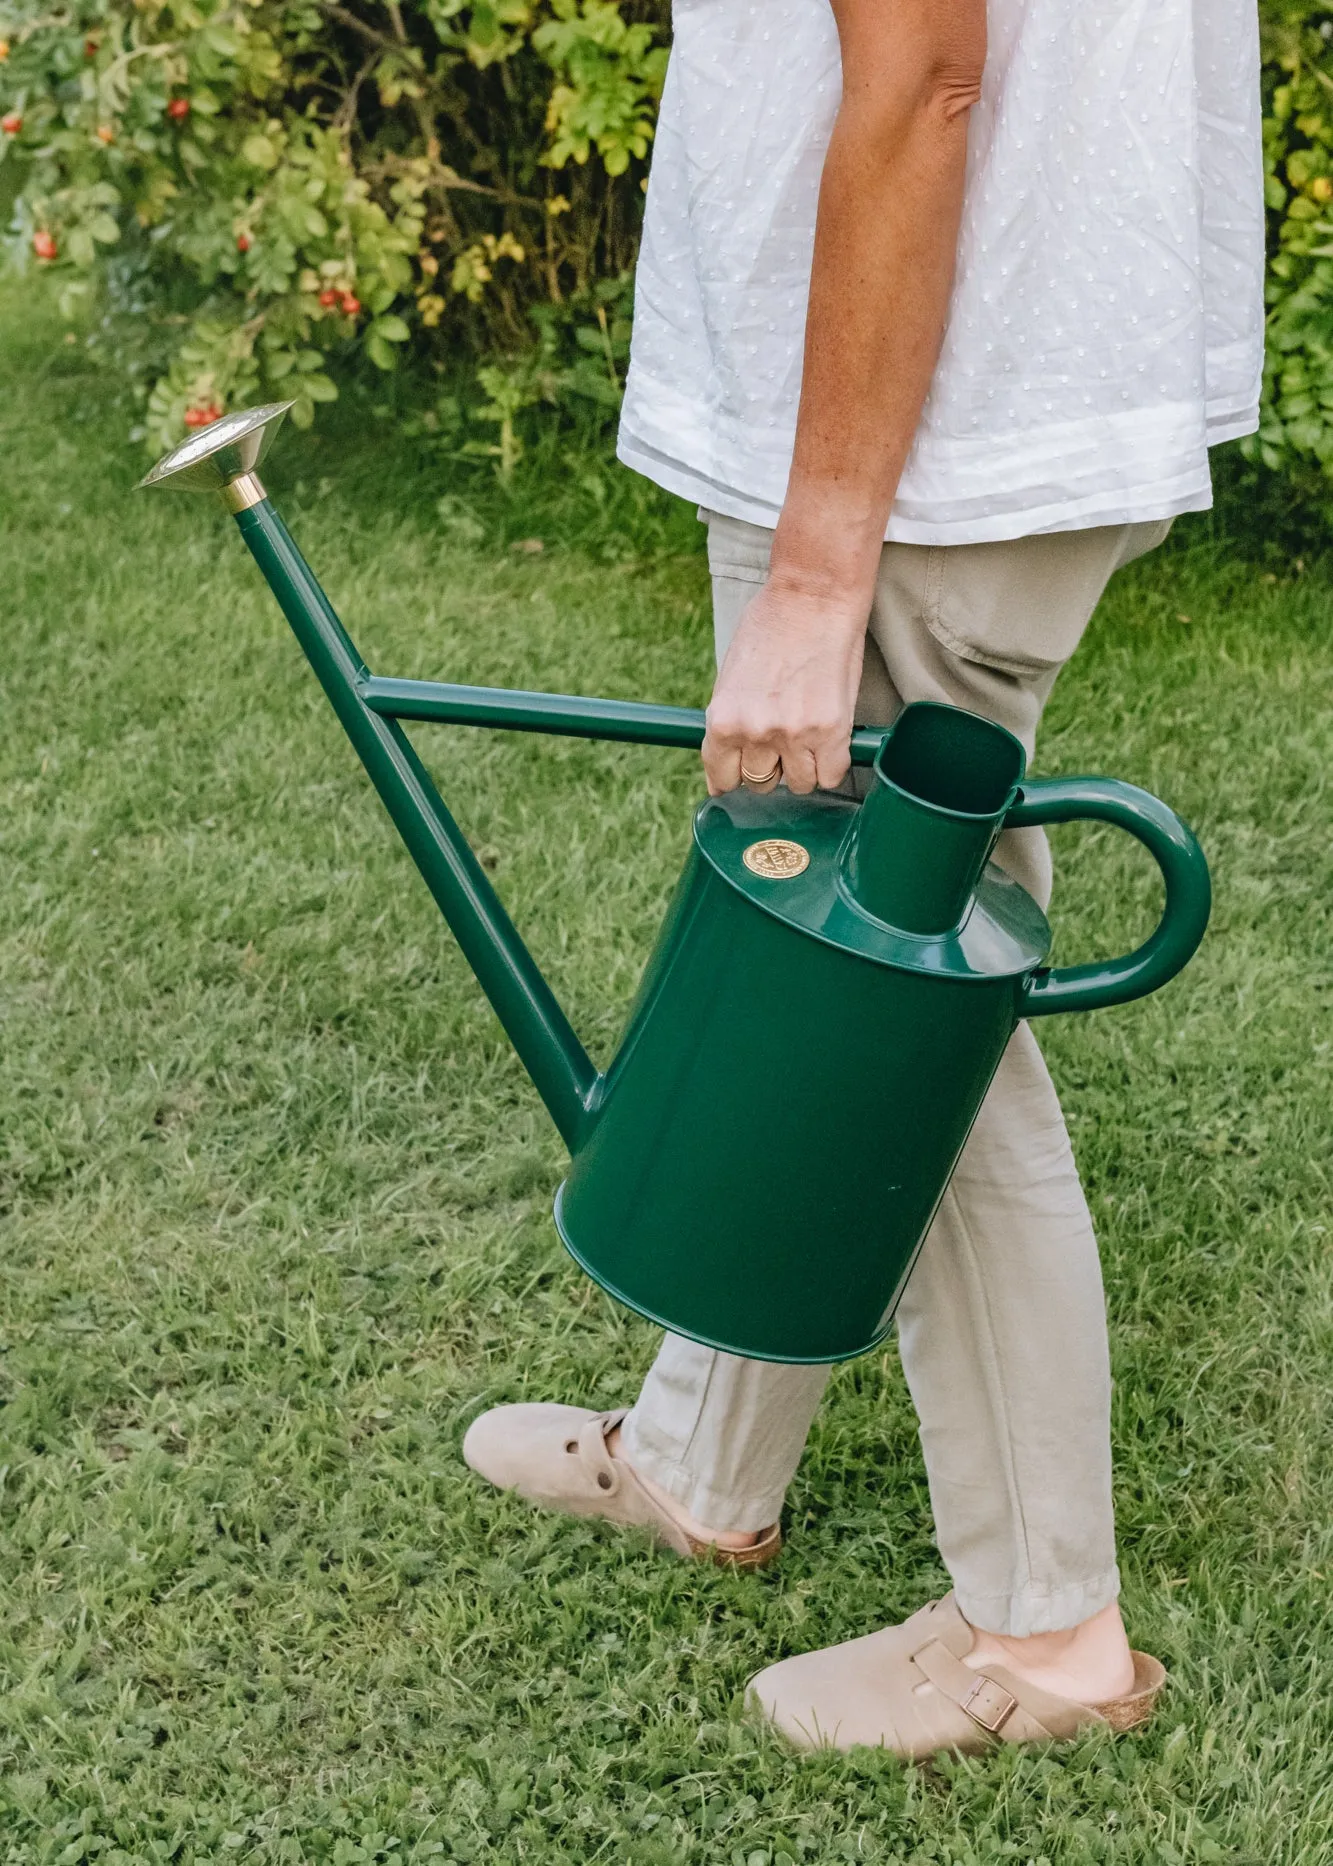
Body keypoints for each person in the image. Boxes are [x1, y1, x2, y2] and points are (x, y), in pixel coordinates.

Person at [462, 0, 1264, 1758]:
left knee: (903, 1001)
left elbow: (921, 75)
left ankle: (1045, 1631)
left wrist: (823, 570)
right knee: (854, 940)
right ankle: (703, 1455)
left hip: (927, 427)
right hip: (972, 383)